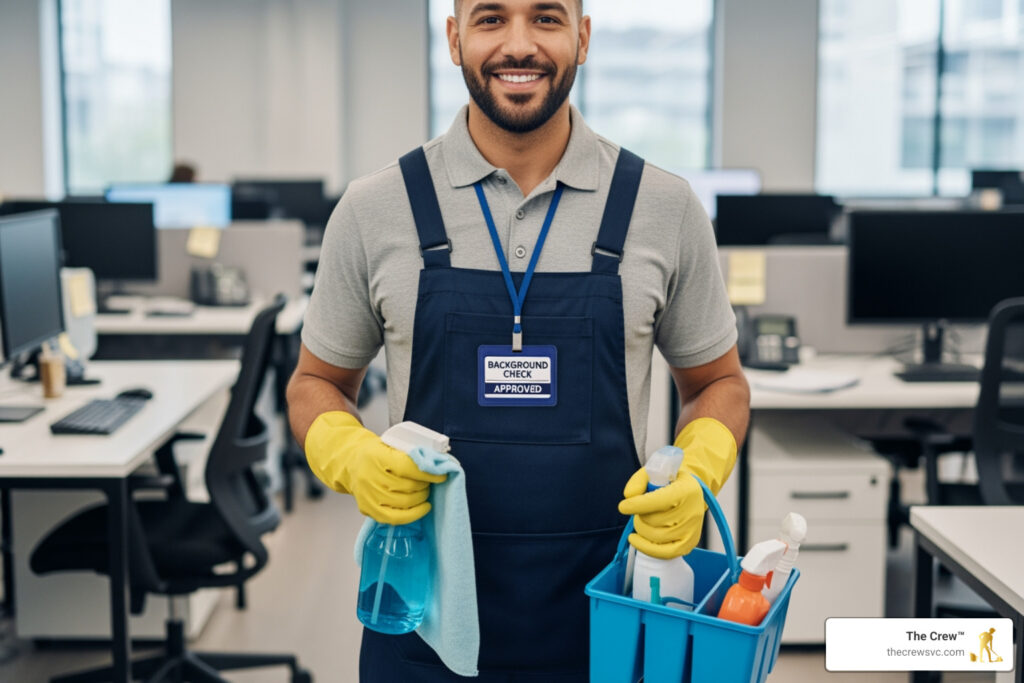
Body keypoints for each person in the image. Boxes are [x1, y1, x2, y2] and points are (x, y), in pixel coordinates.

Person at [286, 0, 750, 680]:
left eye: (547, 17)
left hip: (608, 630)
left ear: (583, 37)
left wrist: (699, 468)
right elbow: (314, 382)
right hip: (423, 630)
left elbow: (719, 383)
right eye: (491, 18)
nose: (519, 44)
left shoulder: (664, 207)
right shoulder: (373, 207)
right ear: (454, 38)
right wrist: (346, 453)